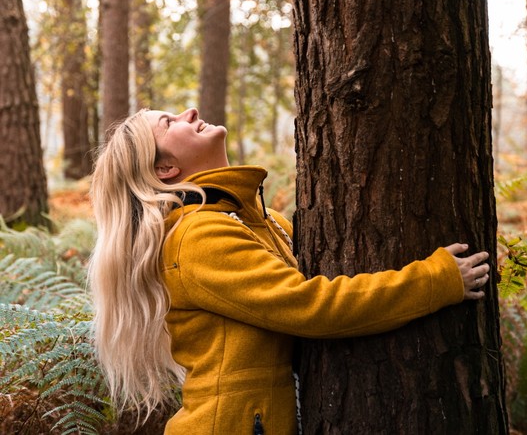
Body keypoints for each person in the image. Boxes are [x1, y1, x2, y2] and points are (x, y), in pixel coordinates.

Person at [88, 108, 490, 435]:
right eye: (169, 123)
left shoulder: (259, 220)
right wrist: (434, 281)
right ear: (165, 169)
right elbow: (312, 305)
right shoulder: (197, 236)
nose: (189, 112)